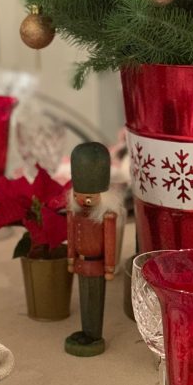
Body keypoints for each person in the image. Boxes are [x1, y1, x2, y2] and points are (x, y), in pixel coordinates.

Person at [65, 142, 120, 357]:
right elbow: (71, 238)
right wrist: (71, 259)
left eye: (90, 196)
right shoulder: (75, 215)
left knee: (95, 300)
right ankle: (86, 332)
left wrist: (109, 267)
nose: (84, 200)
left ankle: (94, 334)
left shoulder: (106, 218)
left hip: (97, 265)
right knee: (84, 299)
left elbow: (109, 243)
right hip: (82, 263)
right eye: (79, 195)